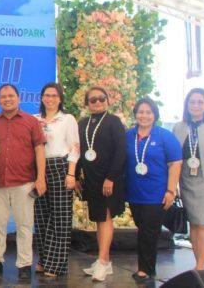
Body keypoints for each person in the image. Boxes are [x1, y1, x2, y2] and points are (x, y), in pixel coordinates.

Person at [0, 83, 46, 280]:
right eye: (3, 96)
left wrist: (40, 178)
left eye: (11, 95)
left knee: (24, 226)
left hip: (24, 182)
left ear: (18, 98)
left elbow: (39, 150)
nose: (7, 99)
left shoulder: (31, 121)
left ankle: (24, 264)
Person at [125, 97, 182, 283]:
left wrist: (170, 191)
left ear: (154, 114)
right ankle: (146, 267)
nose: (144, 116)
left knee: (149, 231)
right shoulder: (129, 135)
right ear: (135, 114)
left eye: (148, 112)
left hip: (156, 194)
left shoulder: (164, 136)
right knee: (143, 229)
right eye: (141, 112)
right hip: (134, 193)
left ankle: (146, 270)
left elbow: (175, 164)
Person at [77, 86, 126, 282]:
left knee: (106, 218)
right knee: (99, 219)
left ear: (107, 100)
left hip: (108, 180)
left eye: (101, 99)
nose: (98, 102)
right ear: (87, 104)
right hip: (91, 179)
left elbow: (121, 152)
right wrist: (77, 176)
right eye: (93, 100)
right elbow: (79, 151)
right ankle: (103, 260)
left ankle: (103, 261)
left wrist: (111, 177)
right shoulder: (83, 123)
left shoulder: (113, 122)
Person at [172, 88, 204, 271]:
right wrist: (174, 183)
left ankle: (201, 266)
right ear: (187, 105)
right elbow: (174, 157)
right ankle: (197, 261)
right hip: (187, 179)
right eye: (192, 102)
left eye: (200, 102)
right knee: (193, 222)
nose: (196, 106)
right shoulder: (179, 127)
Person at [33, 82, 79, 277]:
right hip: (39, 168)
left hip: (61, 167)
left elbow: (74, 147)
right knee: (41, 217)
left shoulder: (67, 119)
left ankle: (56, 264)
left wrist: (71, 174)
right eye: (47, 95)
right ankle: (44, 260)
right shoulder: (34, 119)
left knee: (60, 217)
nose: (50, 99)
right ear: (42, 97)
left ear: (60, 99)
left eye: (54, 95)